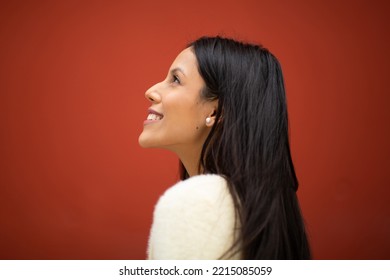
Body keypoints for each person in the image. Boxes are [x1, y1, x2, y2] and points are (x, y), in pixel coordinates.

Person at [138, 36, 311, 259]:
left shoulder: (197, 203)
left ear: (215, 112)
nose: (151, 91)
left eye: (176, 80)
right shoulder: (268, 214)